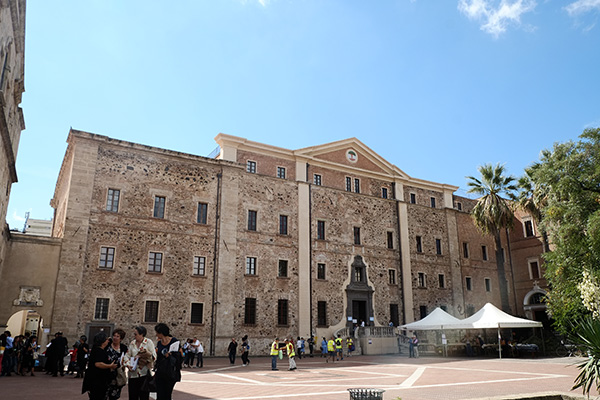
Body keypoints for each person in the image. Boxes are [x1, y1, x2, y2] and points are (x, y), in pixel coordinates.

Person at [82, 331, 118, 400]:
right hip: (97, 381)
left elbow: (109, 343)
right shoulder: (99, 351)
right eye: (106, 339)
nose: (108, 341)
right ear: (103, 341)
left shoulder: (97, 348)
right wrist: (110, 366)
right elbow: (98, 364)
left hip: (97, 380)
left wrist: (109, 339)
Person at [126, 326, 156, 400]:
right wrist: (128, 365)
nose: (134, 336)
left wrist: (144, 356)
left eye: (136, 334)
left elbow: (154, 357)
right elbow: (127, 356)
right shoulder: (132, 343)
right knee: (133, 396)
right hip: (133, 374)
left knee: (144, 396)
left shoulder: (148, 342)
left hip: (144, 374)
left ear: (141, 334)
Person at [154, 323, 181, 400]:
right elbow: (158, 357)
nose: (156, 335)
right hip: (160, 372)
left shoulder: (174, 341)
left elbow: (179, 356)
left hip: (170, 372)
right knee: (159, 394)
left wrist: (170, 355)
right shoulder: (159, 343)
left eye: (157, 333)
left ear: (161, 333)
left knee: (167, 394)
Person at [106, 328, 128, 400]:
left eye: (117, 336)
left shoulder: (124, 348)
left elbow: (126, 359)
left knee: (114, 396)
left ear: (121, 339)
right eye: (114, 336)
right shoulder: (107, 345)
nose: (115, 338)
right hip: (107, 373)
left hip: (117, 375)